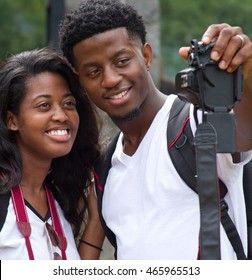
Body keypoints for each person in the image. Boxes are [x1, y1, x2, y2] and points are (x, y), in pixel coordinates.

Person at [59, 0, 252, 259]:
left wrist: (247, 75)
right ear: (81, 83)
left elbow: (245, 131)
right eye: (93, 72)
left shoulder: (197, 124)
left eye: (122, 61)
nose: (110, 79)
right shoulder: (106, 170)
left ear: (146, 56)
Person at [0, 48, 102, 260]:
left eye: (68, 104)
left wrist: (95, 221)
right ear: (12, 120)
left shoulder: (58, 198)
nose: (61, 115)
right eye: (44, 105)